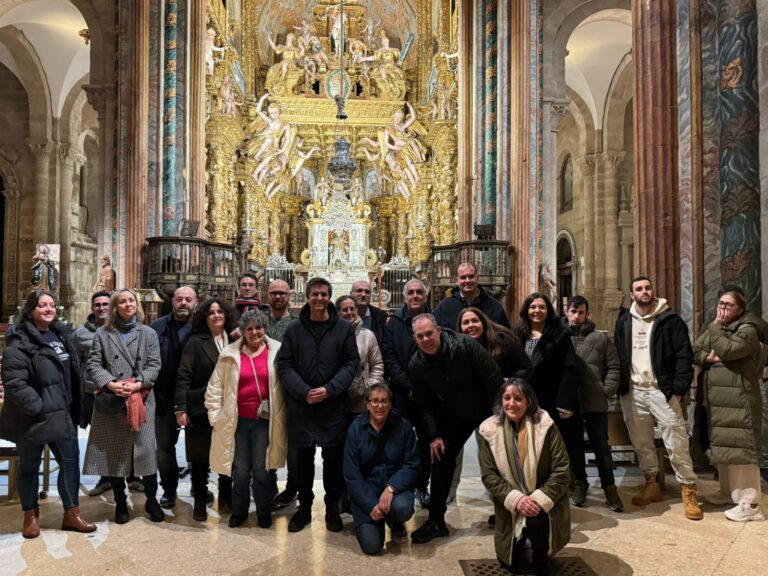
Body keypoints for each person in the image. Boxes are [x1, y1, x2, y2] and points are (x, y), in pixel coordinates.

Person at [0, 290, 96, 539]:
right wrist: (39, 407)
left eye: (51, 305)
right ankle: (30, 515)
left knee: (70, 463)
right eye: (42, 305)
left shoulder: (61, 335)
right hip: (33, 416)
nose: (48, 308)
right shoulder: (19, 340)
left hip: (62, 413)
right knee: (29, 466)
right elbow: (14, 382)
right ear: (30, 309)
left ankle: (71, 514)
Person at [408, 313, 502, 543]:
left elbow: (493, 377)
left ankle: (506, 511)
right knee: (440, 457)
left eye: (429, 333)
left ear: (438, 331)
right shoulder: (416, 364)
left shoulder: (465, 346)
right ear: (415, 339)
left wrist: (500, 420)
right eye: (420, 336)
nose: (426, 339)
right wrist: (434, 435)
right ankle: (436, 521)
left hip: (485, 408)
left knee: (501, 460)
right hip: (455, 415)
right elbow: (425, 405)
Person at [614, 276, 702, 520]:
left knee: (676, 440)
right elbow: (618, 354)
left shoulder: (670, 320)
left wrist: (679, 388)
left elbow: (685, 355)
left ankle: (688, 489)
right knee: (641, 442)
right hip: (633, 391)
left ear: (653, 291)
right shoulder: (623, 321)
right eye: (639, 289)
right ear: (632, 294)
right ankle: (651, 484)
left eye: (648, 287)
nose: (644, 292)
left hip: (662, 391)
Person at [275, 277, 359, 533]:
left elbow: (350, 363)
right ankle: (305, 507)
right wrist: (303, 391)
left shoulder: (343, 329)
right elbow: (284, 364)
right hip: (302, 406)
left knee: (333, 460)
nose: (320, 299)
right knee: (303, 460)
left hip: (332, 405)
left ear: (330, 297)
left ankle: (331, 507)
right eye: (315, 294)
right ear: (308, 297)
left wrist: (330, 389)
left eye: (324, 294)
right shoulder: (294, 330)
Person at [84, 289, 163, 524]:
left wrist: (138, 384)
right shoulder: (102, 333)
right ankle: (120, 501)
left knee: (145, 452)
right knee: (115, 454)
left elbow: (154, 364)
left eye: (131, 300)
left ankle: (151, 499)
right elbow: (94, 364)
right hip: (113, 402)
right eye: (123, 301)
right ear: (115, 307)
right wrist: (111, 383)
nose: (128, 304)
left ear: (136, 304)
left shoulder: (148, 333)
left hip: (141, 400)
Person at [478, 379, 570, 576]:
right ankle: (519, 542)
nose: (511, 403)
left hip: (542, 500)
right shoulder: (488, 430)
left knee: (536, 522)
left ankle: (540, 554)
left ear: (529, 402)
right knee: (509, 562)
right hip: (510, 504)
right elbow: (489, 475)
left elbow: (561, 469)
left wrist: (537, 498)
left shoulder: (546, 426)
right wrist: (517, 499)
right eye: (507, 398)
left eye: (518, 398)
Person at [205, 310, 287, 528]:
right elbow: (215, 387)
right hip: (237, 421)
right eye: (249, 328)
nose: (254, 332)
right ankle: (240, 510)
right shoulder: (230, 354)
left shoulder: (277, 351)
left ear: (264, 328)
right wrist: (216, 418)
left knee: (261, 468)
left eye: (258, 327)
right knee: (240, 468)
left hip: (265, 422)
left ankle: (263, 510)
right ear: (242, 331)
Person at [693, 289, 764, 522]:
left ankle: (749, 503)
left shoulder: (748, 329)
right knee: (724, 448)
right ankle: (728, 492)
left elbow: (728, 350)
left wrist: (715, 330)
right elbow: (696, 351)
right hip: (719, 399)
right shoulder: (720, 328)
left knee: (742, 449)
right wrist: (709, 356)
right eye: (720, 303)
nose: (722, 308)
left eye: (728, 305)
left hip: (739, 398)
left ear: (740, 310)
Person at [175, 298, 235, 521]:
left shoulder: (235, 339)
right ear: (204, 317)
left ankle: (226, 495)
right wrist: (180, 408)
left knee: (227, 454)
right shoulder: (195, 342)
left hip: (229, 407)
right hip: (200, 405)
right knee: (200, 456)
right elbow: (183, 376)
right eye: (212, 313)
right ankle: (200, 498)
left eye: (220, 311)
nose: (217, 315)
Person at [343, 384, 420, 555]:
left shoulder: (404, 426)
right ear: (367, 403)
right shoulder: (355, 429)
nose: (380, 406)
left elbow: (412, 464)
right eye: (375, 401)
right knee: (372, 547)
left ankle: (394, 520)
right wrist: (372, 505)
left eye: (384, 401)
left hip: (395, 490)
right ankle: (377, 516)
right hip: (366, 491)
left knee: (402, 508)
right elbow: (352, 475)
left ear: (390, 404)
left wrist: (391, 487)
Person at [563, 296, 624, 512]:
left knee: (601, 446)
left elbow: (613, 367)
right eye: (573, 312)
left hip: (594, 400)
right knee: (574, 446)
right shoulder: (560, 336)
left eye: (580, 312)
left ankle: (609, 487)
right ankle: (580, 484)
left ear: (587, 313)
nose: (576, 316)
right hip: (569, 402)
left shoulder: (600, 339)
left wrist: (605, 391)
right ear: (566, 311)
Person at [514, 293, 581, 481]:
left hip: (551, 397)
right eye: (533, 307)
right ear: (526, 310)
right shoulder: (518, 334)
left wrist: (565, 402)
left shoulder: (560, 334)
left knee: (553, 444)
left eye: (541, 307)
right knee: (526, 444)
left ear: (548, 310)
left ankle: (557, 483)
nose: (537, 311)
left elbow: (570, 369)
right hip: (525, 398)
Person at [381, 278, 433, 507]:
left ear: (425, 296)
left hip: (428, 395)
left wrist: (423, 389)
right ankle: (398, 486)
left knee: (426, 443)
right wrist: (408, 388)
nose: (414, 296)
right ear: (404, 297)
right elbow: (389, 358)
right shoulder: (394, 323)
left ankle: (422, 485)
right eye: (410, 292)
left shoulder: (433, 320)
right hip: (402, 395)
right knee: (398, 443)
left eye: (419, 292)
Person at [150, 285, 198, 509]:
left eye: (188, 299)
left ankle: (199, 487)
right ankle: (169, 490)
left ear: (196, 302)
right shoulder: (156, 327)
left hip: (195, 399)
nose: (184, 303)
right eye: (179, 299)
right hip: (164, 398)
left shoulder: (202, 327)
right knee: (164, 449)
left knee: (198, 447)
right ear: (172, 301)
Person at [260, 279, 301, 510]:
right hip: (264, 391)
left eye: (282, 294)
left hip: (290, 390)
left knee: (294, 446)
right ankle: (268, 485)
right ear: (267, 295)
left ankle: (292, 488)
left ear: (289, 296)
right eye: (274, 293)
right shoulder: (259, 322)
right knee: (266, 442)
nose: (278, 297)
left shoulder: (297, 324)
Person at [72, 290, 113, 496]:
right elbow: (76, 365)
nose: (102, 308)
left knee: (121, 436)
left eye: (106, 304)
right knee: (99, 438)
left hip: (116, 393)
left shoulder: (119, 329)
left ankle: (130, 476)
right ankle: (106, 478)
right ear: (92, 308)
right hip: (91, 394)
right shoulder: (80, 334)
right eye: (98, 304)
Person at [336, 295, 385, 421]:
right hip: (337, 399)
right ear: (338, 313)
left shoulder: (368, 335)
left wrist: (366, 387)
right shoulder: (331, 335)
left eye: (352, 309)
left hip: (362, 400)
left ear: (357, 311)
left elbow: (378, 365)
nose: (349, 313)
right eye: (345, 310)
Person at [434, 262, 510, 330]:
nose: (467, 281)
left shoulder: (494, 306)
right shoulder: (444, 307)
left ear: (477, 278)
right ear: (457, 281)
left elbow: (505, 334)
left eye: (471, 277)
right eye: (463, 277)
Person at [457, 307, 530, 378]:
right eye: (466, 322)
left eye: (475, 321)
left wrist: (510, 382)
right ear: (460, 328)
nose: (471, 325)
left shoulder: (503, 340)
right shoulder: (458, 349)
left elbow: (527, 368)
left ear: (483, 323)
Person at [350, 280, 389, 344]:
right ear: (351, 293)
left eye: (367, 292)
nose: (363, 294)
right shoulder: (342, 316)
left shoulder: (381, 317)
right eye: (359, 291)